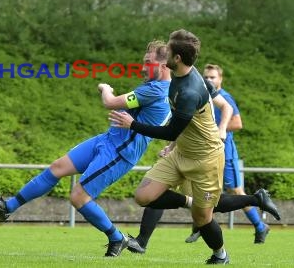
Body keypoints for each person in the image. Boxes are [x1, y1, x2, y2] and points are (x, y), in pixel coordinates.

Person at [0, 40, 172, 257]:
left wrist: (105, 88)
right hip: (107, 140)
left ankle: (116, 238)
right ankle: (8, 207)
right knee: (57, 167)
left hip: (119, 153)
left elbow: (110, 102)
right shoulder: (161, 89)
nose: (143, 67)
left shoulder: (157, 89)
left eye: (148, 62)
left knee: (78, 197)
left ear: (164, 66)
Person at [110, 29, 280, 264]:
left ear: (177, 58)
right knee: (143, 196)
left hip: (205, 158)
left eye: (167, 50)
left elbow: (172, 130)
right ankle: (190, 203)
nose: (164, 52)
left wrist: (133, 124)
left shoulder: (189, 91)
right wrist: (172, 146)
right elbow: (192, 112)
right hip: (181, 153)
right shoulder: (185, 74)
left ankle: (221, 253)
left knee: (202, 218)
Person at [184, 64, 269, 244]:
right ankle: (200, 226)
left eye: (212, 77)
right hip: (207, 151)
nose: (208, 80)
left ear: (220, 79)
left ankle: (260, 226)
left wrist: (214, 130)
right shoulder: (203, 96)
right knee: (200, 187)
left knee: (236, 191)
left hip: (226, 152)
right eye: (206, 77)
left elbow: (237, 123)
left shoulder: (224, 97)